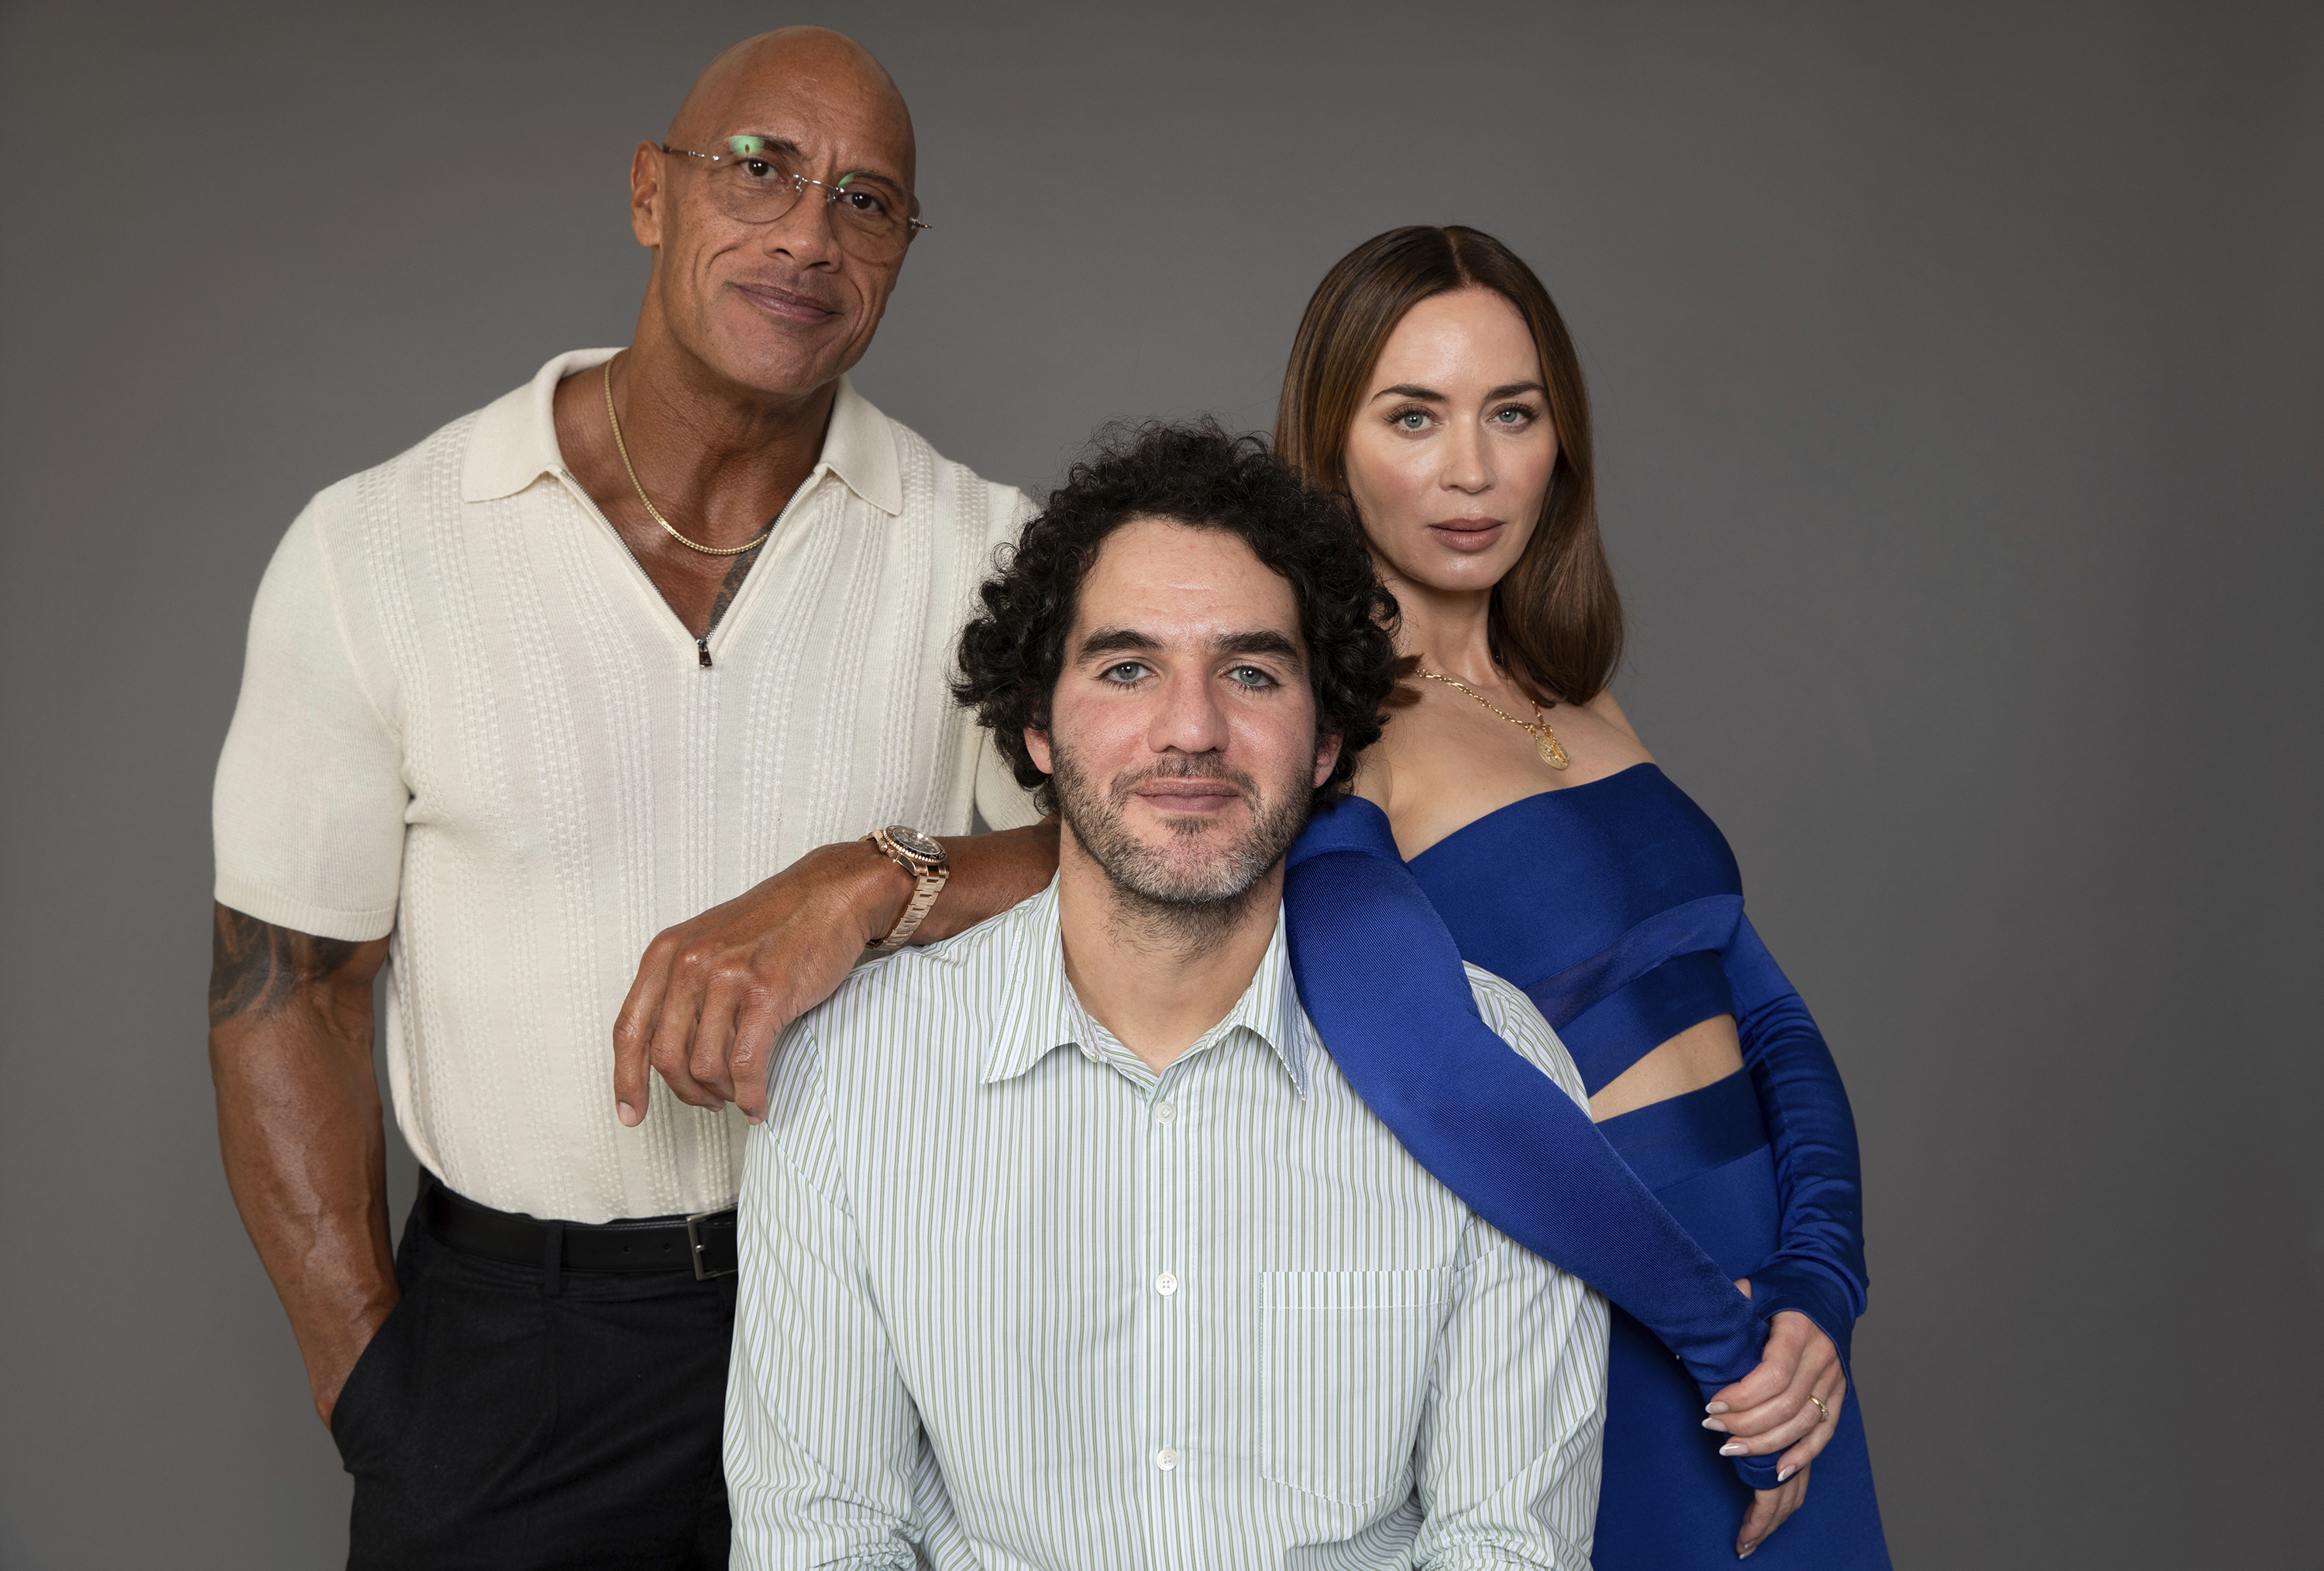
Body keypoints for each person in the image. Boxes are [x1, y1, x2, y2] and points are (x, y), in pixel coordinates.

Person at [206, 28, 1058, 1567]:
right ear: (649, 193)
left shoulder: (992, 555)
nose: (808, 234)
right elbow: (292, 990)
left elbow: (1145, 864)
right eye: (761, 171)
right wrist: (376, 1393)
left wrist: (873, 875)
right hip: (518, 1356)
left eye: (867, 203)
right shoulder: (378, 548)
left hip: (883, 1320)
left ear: (904, 256)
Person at [723, 421, 1611, 1569]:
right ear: (1037, 727)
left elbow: (1510, 1547)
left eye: (1250, 671)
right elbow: (821, 1535)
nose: (1191, 730)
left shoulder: (1499, 1069)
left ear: (1329, 735)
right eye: (1127, 667)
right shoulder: (850, 1079)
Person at [1273, 225, 1890, 1565]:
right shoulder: (1332, 740)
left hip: (1776, 1335)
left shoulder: (1580, 696)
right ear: (1331, 447)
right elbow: (1439, 1081)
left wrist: (1819, 1294)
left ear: (1564, 438)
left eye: (1514, 411)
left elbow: (1769, 1015)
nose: (1473, 470)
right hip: (1618, 1322)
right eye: (1413, 416)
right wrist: (1722, 1338)